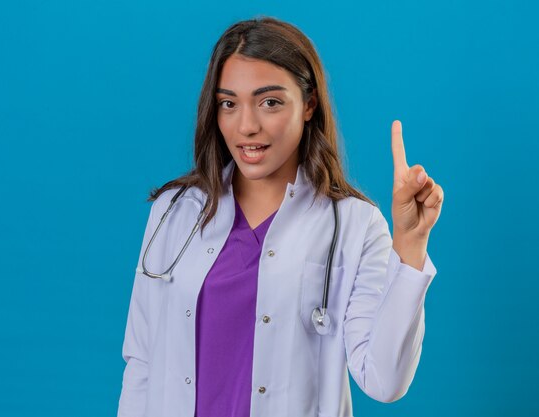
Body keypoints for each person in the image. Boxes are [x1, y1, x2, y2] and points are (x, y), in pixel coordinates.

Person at [116, 15, 444, 417]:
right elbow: (141, 363)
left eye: (269, 102)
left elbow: (384, 380)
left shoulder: (355, 226)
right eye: (229, 104)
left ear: (308, 105)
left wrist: (410, 244)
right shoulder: (175, 211)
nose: (247, 126)